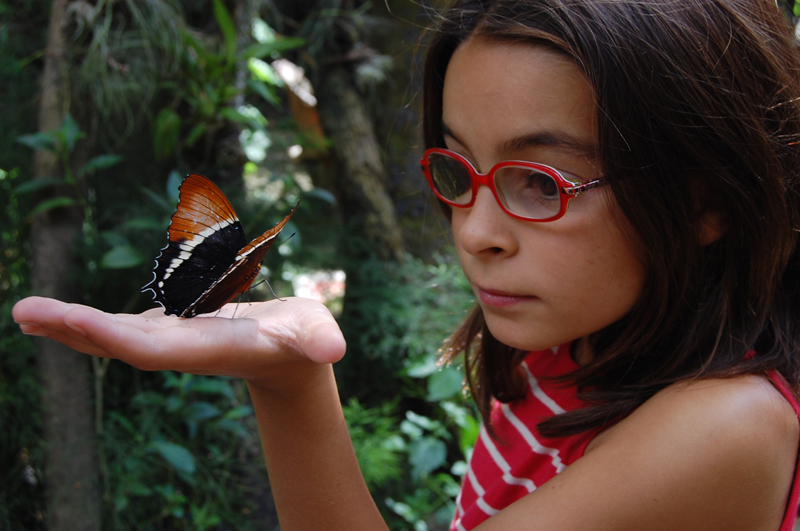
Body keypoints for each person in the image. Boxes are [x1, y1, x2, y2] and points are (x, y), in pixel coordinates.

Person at [13, 0, 800, 529]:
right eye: (459, 170)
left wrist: (293, 381)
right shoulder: (581, 346)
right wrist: (283, 370)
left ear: (708, 200)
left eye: (540, 181)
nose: (475, 230)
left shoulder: (725, 426)